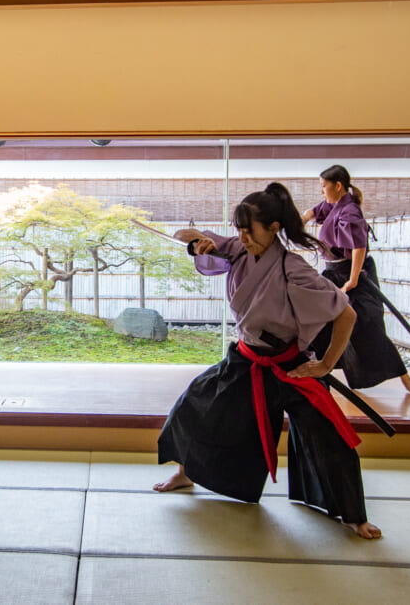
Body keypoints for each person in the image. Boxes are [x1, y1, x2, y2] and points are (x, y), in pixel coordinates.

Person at [154, 182, 381, 540]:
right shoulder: (238, 250)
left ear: (274, 228)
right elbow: (185, 235)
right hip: (246, 359)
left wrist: (325, 365)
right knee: (194, 404)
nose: (242, 238)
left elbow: (346, 314)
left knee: (329, 437)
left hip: (290, 365)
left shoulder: (293, 268)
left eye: (249, 230)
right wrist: (198, 241)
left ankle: (354, 516)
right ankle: (186, 473)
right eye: (238, 230)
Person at [302, 165, 410, 397]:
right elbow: (315, 210)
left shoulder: (350, 212)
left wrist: (352, 281)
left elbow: (359, 247)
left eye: (324, 186)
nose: (321, 191)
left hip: (354, 274)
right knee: (317, 320)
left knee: (369, 328)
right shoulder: (335, 205)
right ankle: (312, 375)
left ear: (338, 186)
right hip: (334, 273)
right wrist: (302, 219)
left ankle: (406, 379)